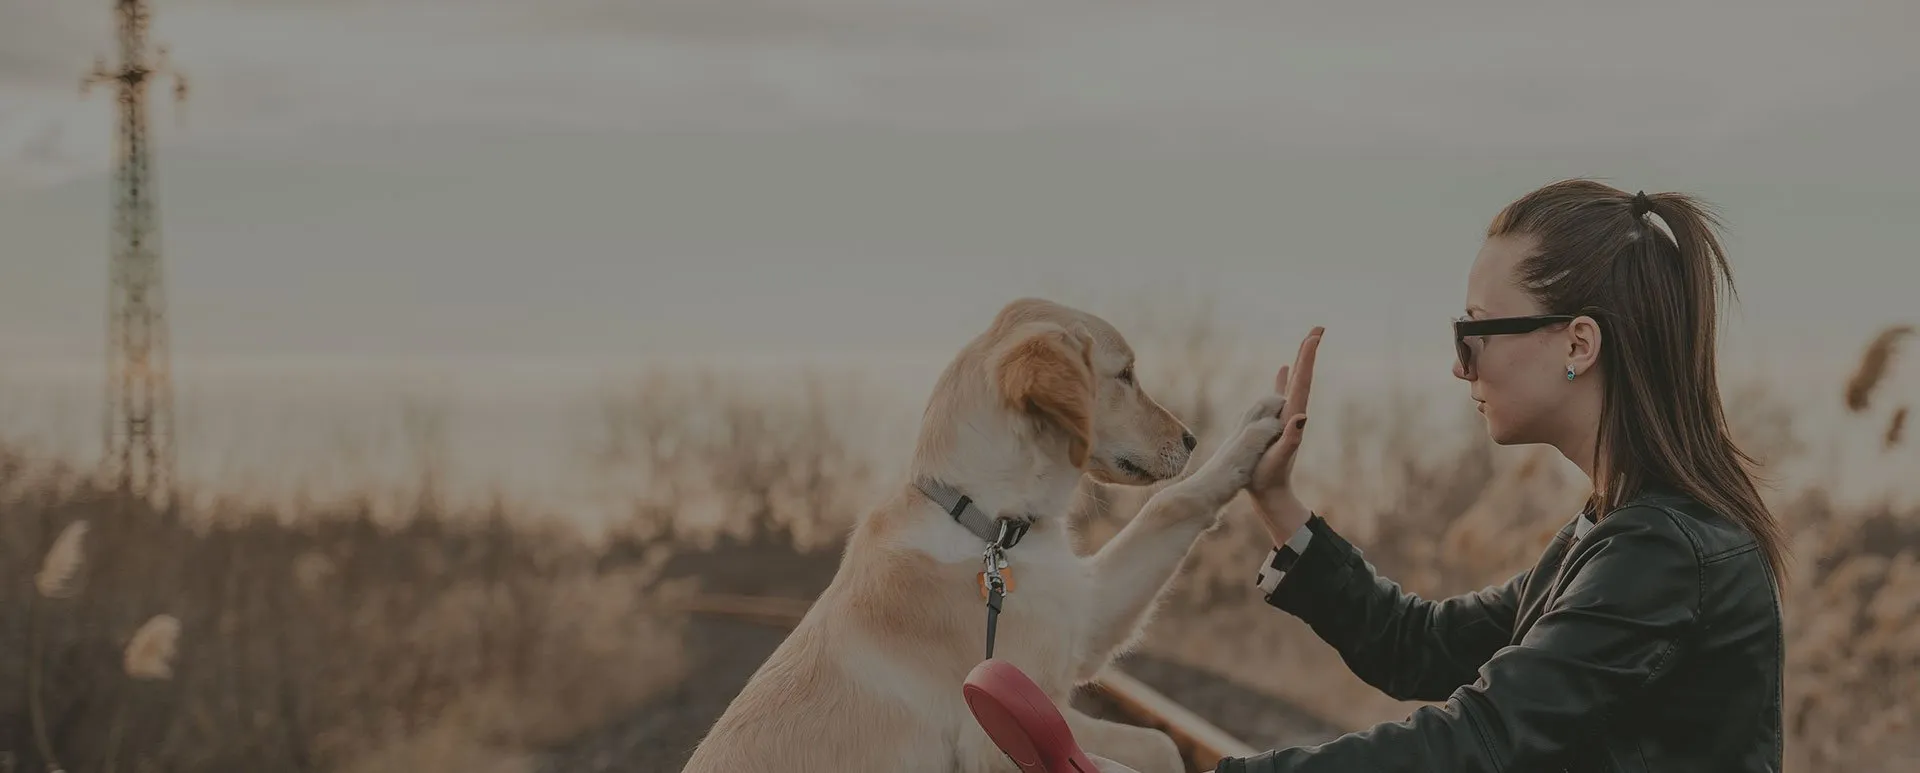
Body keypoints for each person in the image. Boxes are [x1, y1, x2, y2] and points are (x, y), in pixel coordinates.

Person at [1109, 178, 1789, 772]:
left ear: (1578, 344)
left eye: (1477, 332)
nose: (1460, 365)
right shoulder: (1616, 529)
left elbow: (1480, 741)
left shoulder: (1662, 553)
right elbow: (1423, 646)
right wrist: (1277, 497)